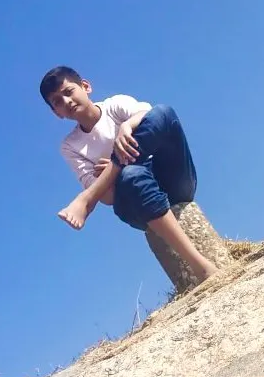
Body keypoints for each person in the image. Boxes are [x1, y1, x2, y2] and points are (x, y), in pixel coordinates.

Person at [39, 66, 217, 282]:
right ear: (55, 112)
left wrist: (127, 125)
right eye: (57, 101)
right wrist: (121, 166)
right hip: (136, 203)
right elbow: (108, 198)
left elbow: (156, 119)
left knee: (164, 112)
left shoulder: (115, 105)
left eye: (69, 92)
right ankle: (202, 267)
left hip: (173, 179)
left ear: (85, 87)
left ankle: (87, 199)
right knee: (131, 175)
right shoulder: (70, 146)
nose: (66, 101)